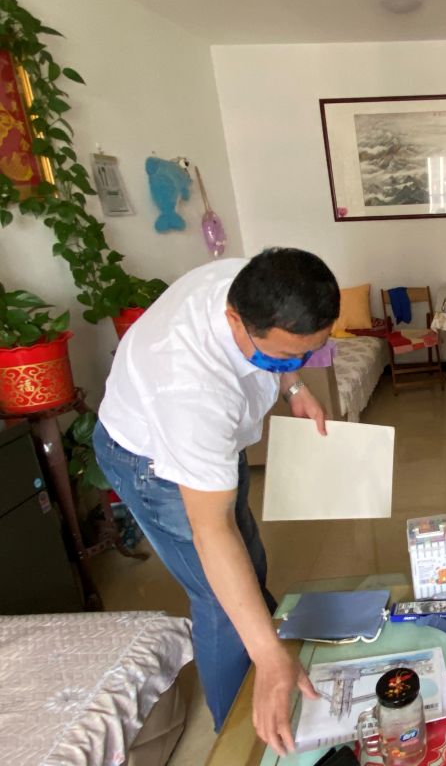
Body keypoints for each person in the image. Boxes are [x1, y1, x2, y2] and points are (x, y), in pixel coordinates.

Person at [94, 249, 340, 755]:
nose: (294, 365)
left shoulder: (255, 279)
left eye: (307, 354)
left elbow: (287, 348)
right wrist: (269, 657)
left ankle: (262, 649)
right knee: (219, 600)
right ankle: (241, 736)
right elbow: (212, 530)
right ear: (234, 320)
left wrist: (294, 385)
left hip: (216, 441)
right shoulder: (188, 388)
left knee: (250, 562)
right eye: (282, 357)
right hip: (151, 460)